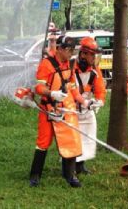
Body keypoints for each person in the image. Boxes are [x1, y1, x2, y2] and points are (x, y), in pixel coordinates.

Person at [29, 35, 90, 188]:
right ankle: (35, 176)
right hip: (48, 109)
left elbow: (72, 87)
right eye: (69, 50)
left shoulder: (70, 64)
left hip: (65, 109)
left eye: (73, 50)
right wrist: (52, 93)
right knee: (43, 142)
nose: (71, 53)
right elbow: (38, 87)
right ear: (60, 49)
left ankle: (70, 175)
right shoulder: (46, 64)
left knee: (70, 140)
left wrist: (84, 101)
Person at [73, 37, 106, 174]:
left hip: (87, 107)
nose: (94, 58)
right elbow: (70, 89)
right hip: (71, 108)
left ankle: (81, 166)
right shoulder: (70, 67)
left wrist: (99, 101)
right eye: (92, 55)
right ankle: (70, 167)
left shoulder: (95, 69)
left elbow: (100, 89)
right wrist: (82, 101)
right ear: (83, 54)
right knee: (72, 139)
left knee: (87, 137)